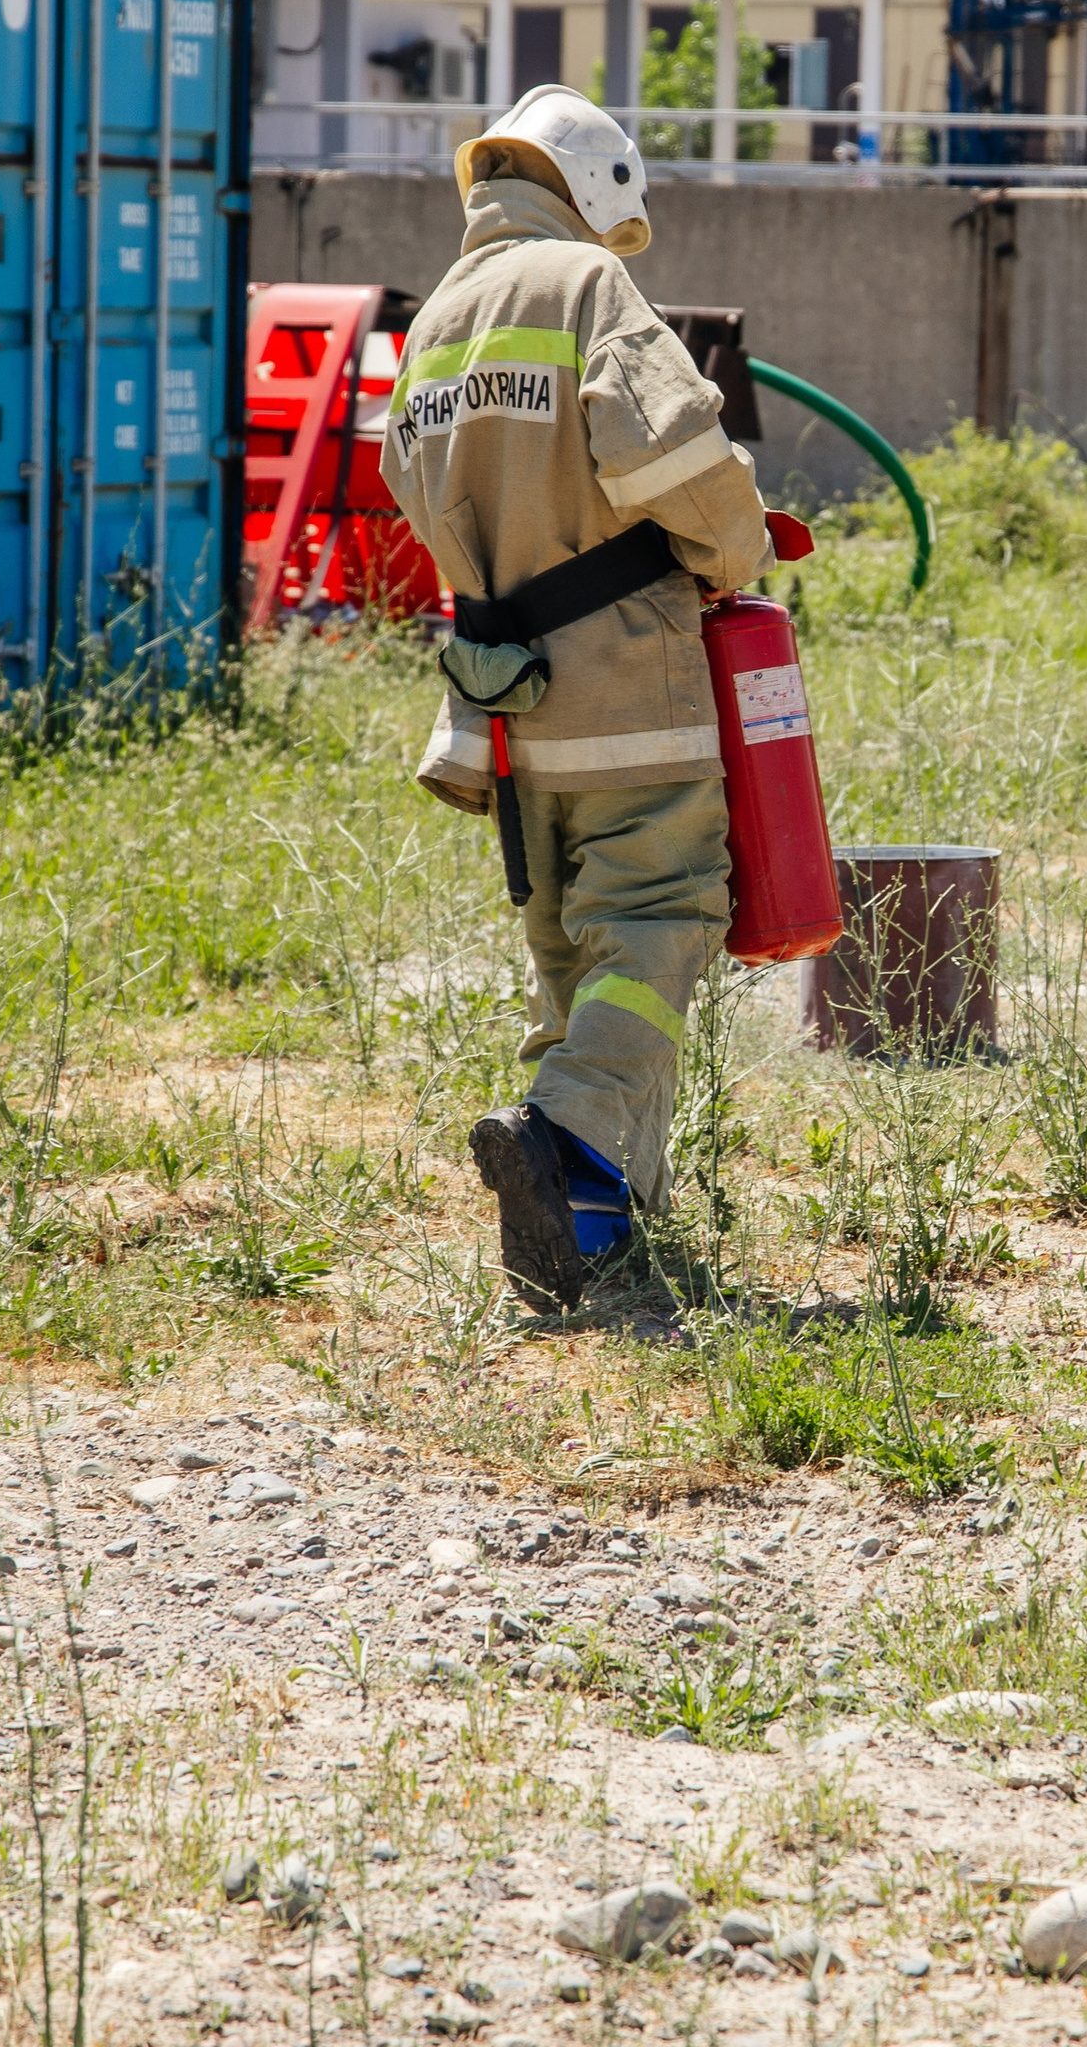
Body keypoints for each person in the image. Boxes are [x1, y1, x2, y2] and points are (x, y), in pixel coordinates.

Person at [379, 85, 771, 1310]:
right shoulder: (586, 287)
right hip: (623, 687)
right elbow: (675, 461)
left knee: (571, 948)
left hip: (501, 707)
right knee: (654, 919)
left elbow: (406, 483)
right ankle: (559, 1133)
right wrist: (736, 551)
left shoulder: (438, 318)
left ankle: (586, 1226)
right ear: (592, 188)